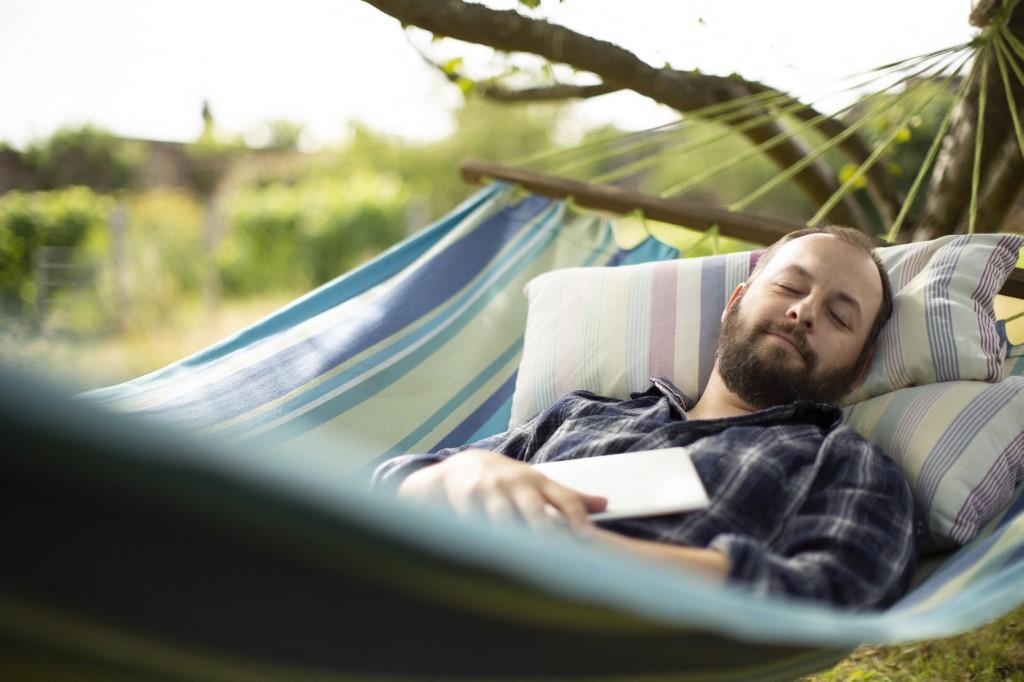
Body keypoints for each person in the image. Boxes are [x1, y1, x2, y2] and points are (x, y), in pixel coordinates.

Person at [372, 226, 916, 610]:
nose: (805, 312)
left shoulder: (843, 463)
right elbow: (388, 491)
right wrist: (466, 469)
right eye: (789, 288)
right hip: (421, 609)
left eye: (840, 316)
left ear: (858, 369)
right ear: (735, 303)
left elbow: (836, 593)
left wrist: (576, 554)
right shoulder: (584, 412)